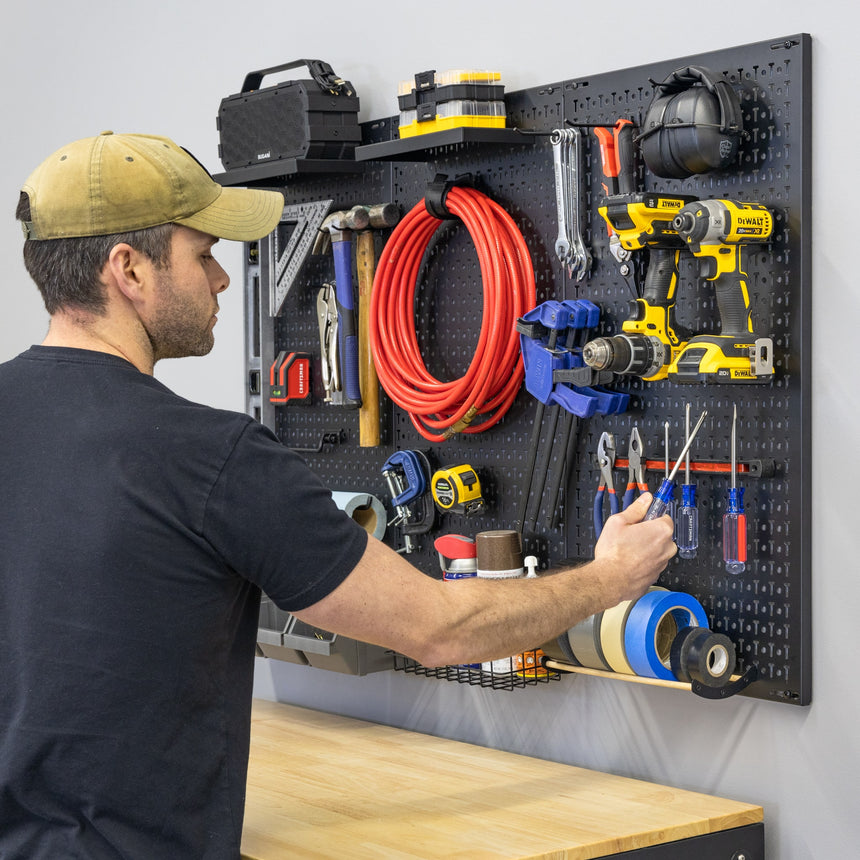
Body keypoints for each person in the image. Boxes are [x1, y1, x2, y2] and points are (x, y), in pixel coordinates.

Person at [0, 131, 676, 859]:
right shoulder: (208, 458)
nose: (223, 280)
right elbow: (440, 630)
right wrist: (609, 578)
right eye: (203, 254)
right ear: (127, 270)